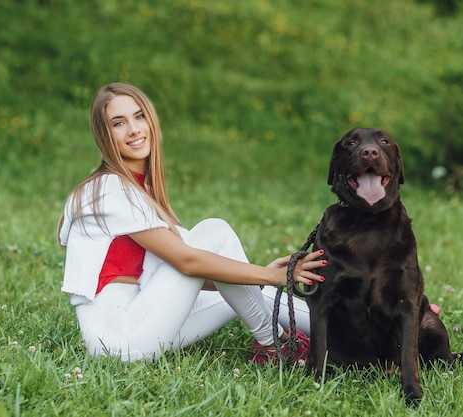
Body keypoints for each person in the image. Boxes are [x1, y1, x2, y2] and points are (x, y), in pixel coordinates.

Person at [57, 82, 325, 364]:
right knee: (215, 233)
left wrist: (256, 278)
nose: (134, 129)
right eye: (118, 123)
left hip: (141, 316)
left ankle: (347, 333)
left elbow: (190, 276)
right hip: (117, 337)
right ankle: (276, 346)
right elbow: (187, 262)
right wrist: (268, 275)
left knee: (250, 290)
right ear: (104, 135)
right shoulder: (110, 188)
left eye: (139, 116)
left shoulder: (139, 191)